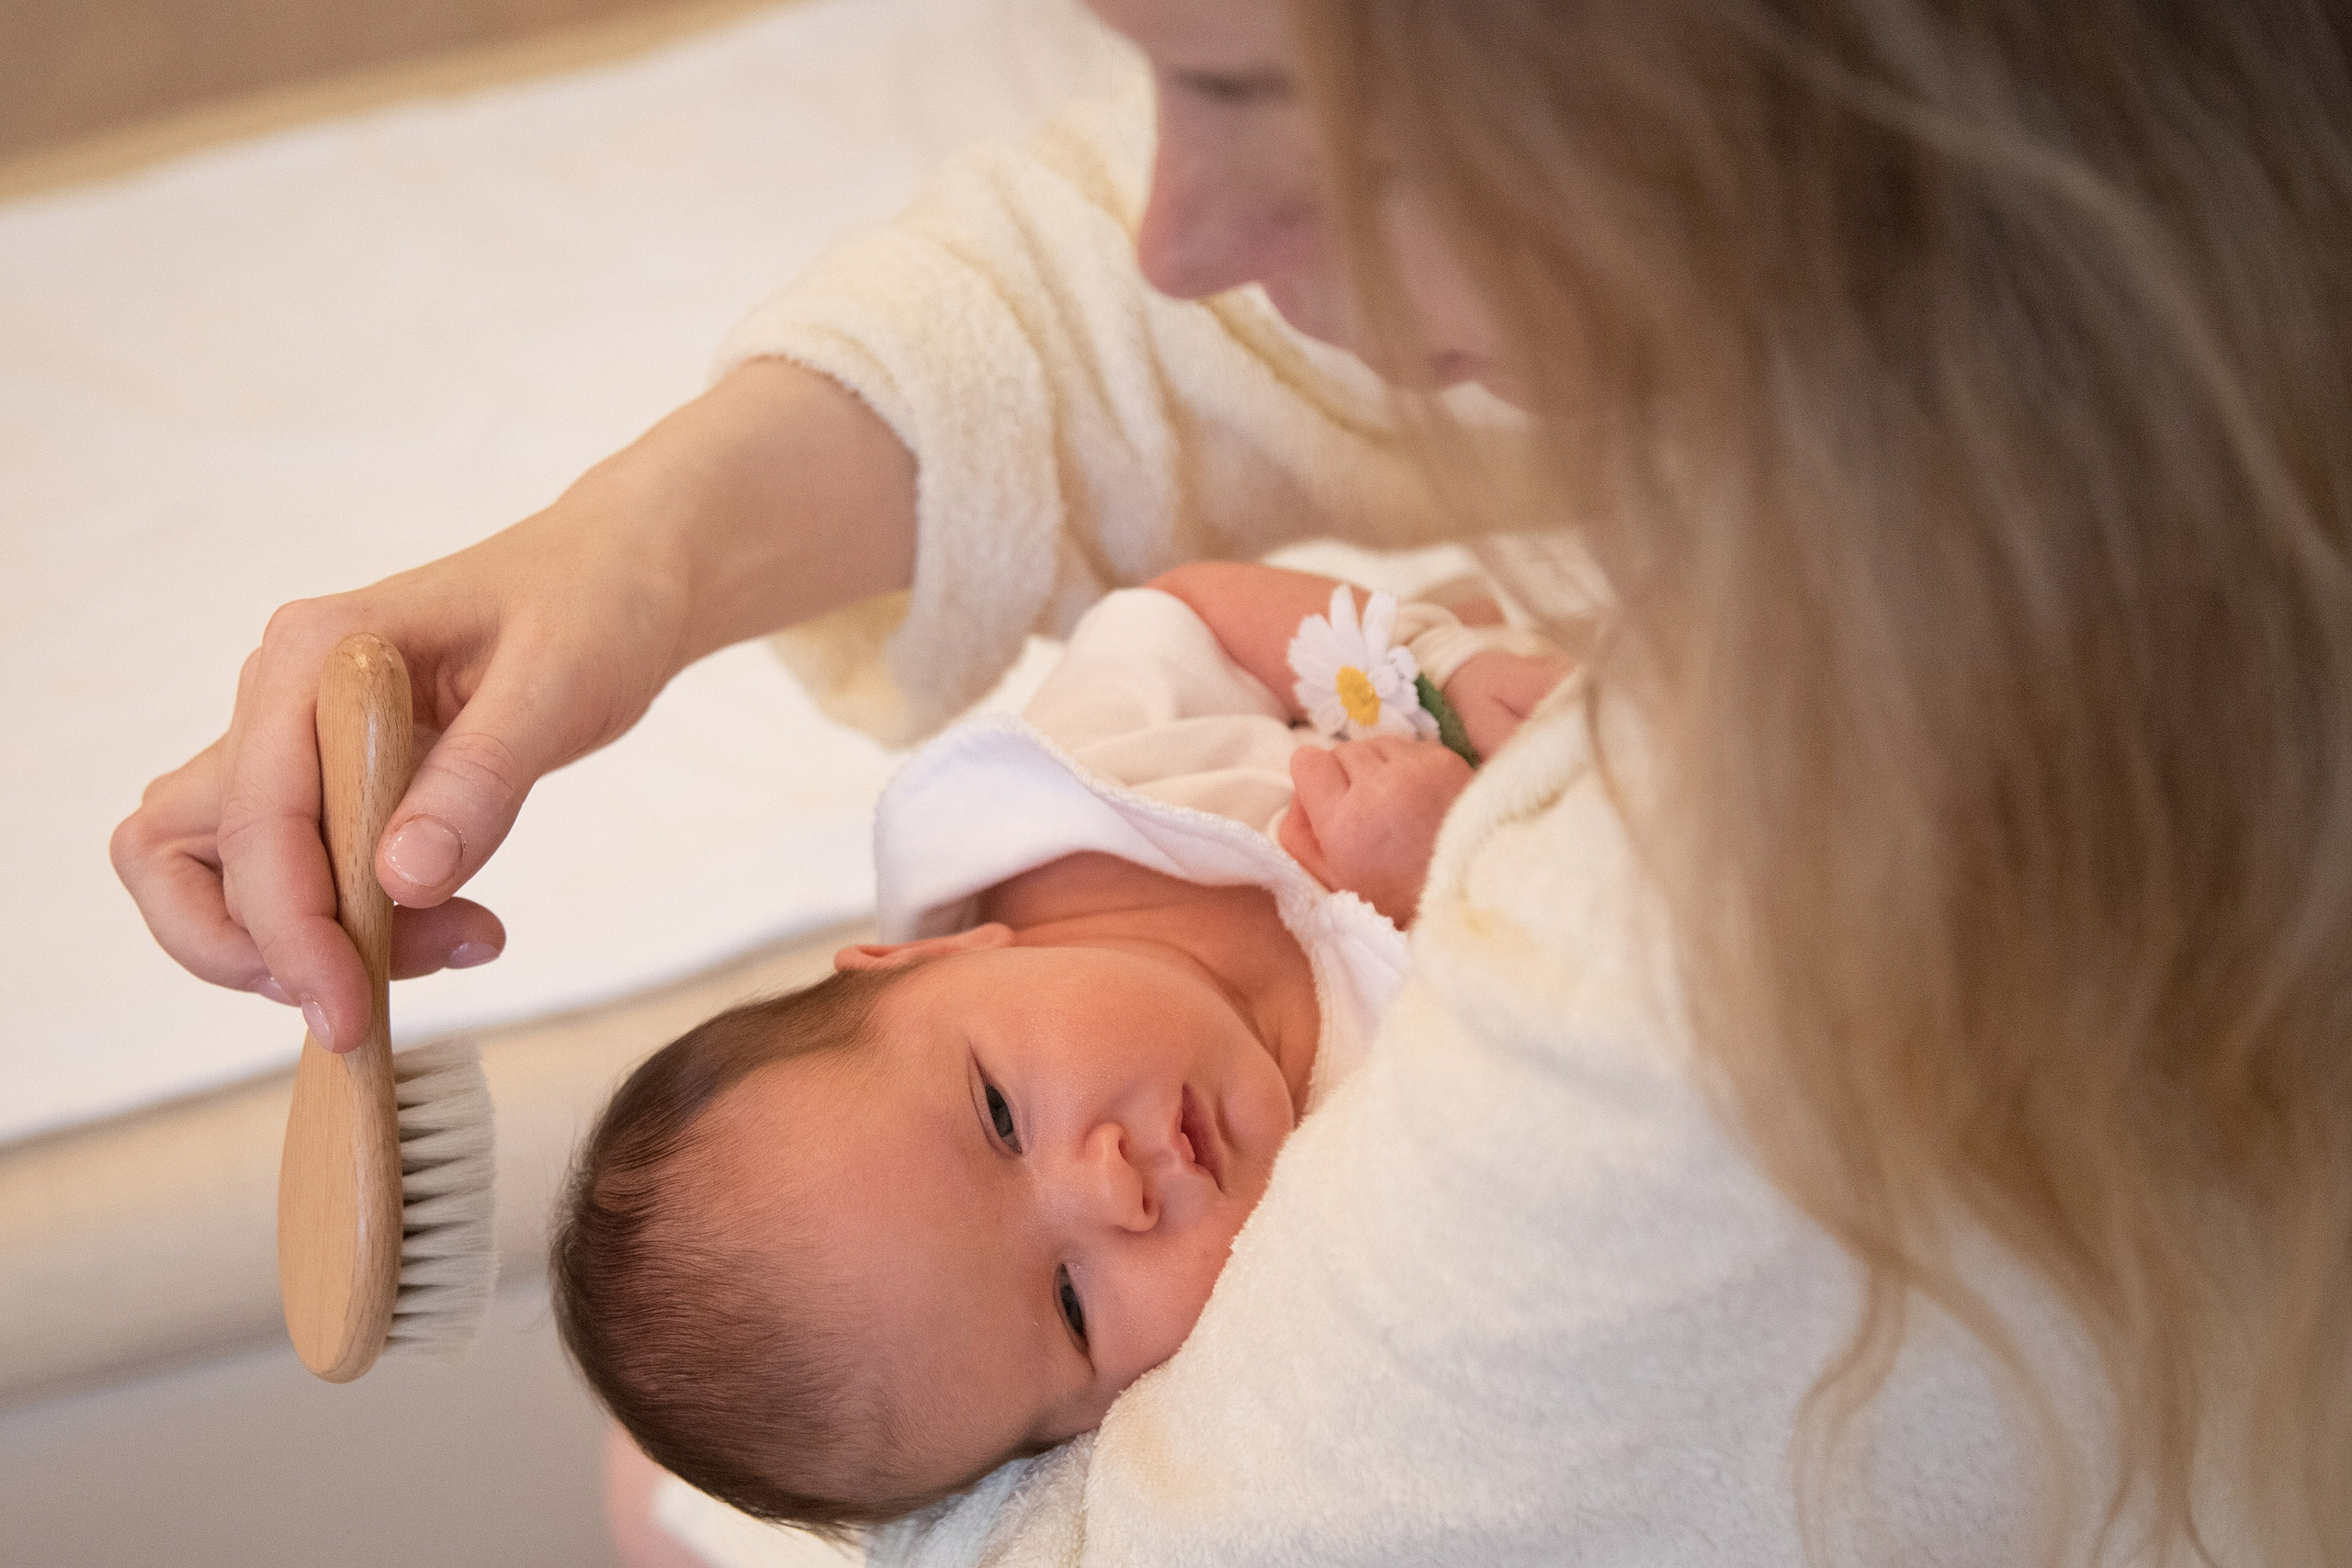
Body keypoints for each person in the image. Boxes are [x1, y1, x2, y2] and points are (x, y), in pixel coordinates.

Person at [111, 1, 2348, 1563]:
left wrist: (1422, 700)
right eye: (1071, 1314)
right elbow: (1136, 321)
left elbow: (1213, 599)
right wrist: (632, 548)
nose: (1179, 230)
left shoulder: (1707, 928)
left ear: (906, 948)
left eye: (1259, 88)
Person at [550, 562, 1570, 1529]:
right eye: (1072, 1306)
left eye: (999, 1116)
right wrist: (1441, 874)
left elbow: (1187, 613)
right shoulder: (1336, 1199)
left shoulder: (1061, 807)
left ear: (925, 957)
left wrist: (1433, 662)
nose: (1108, 1190)